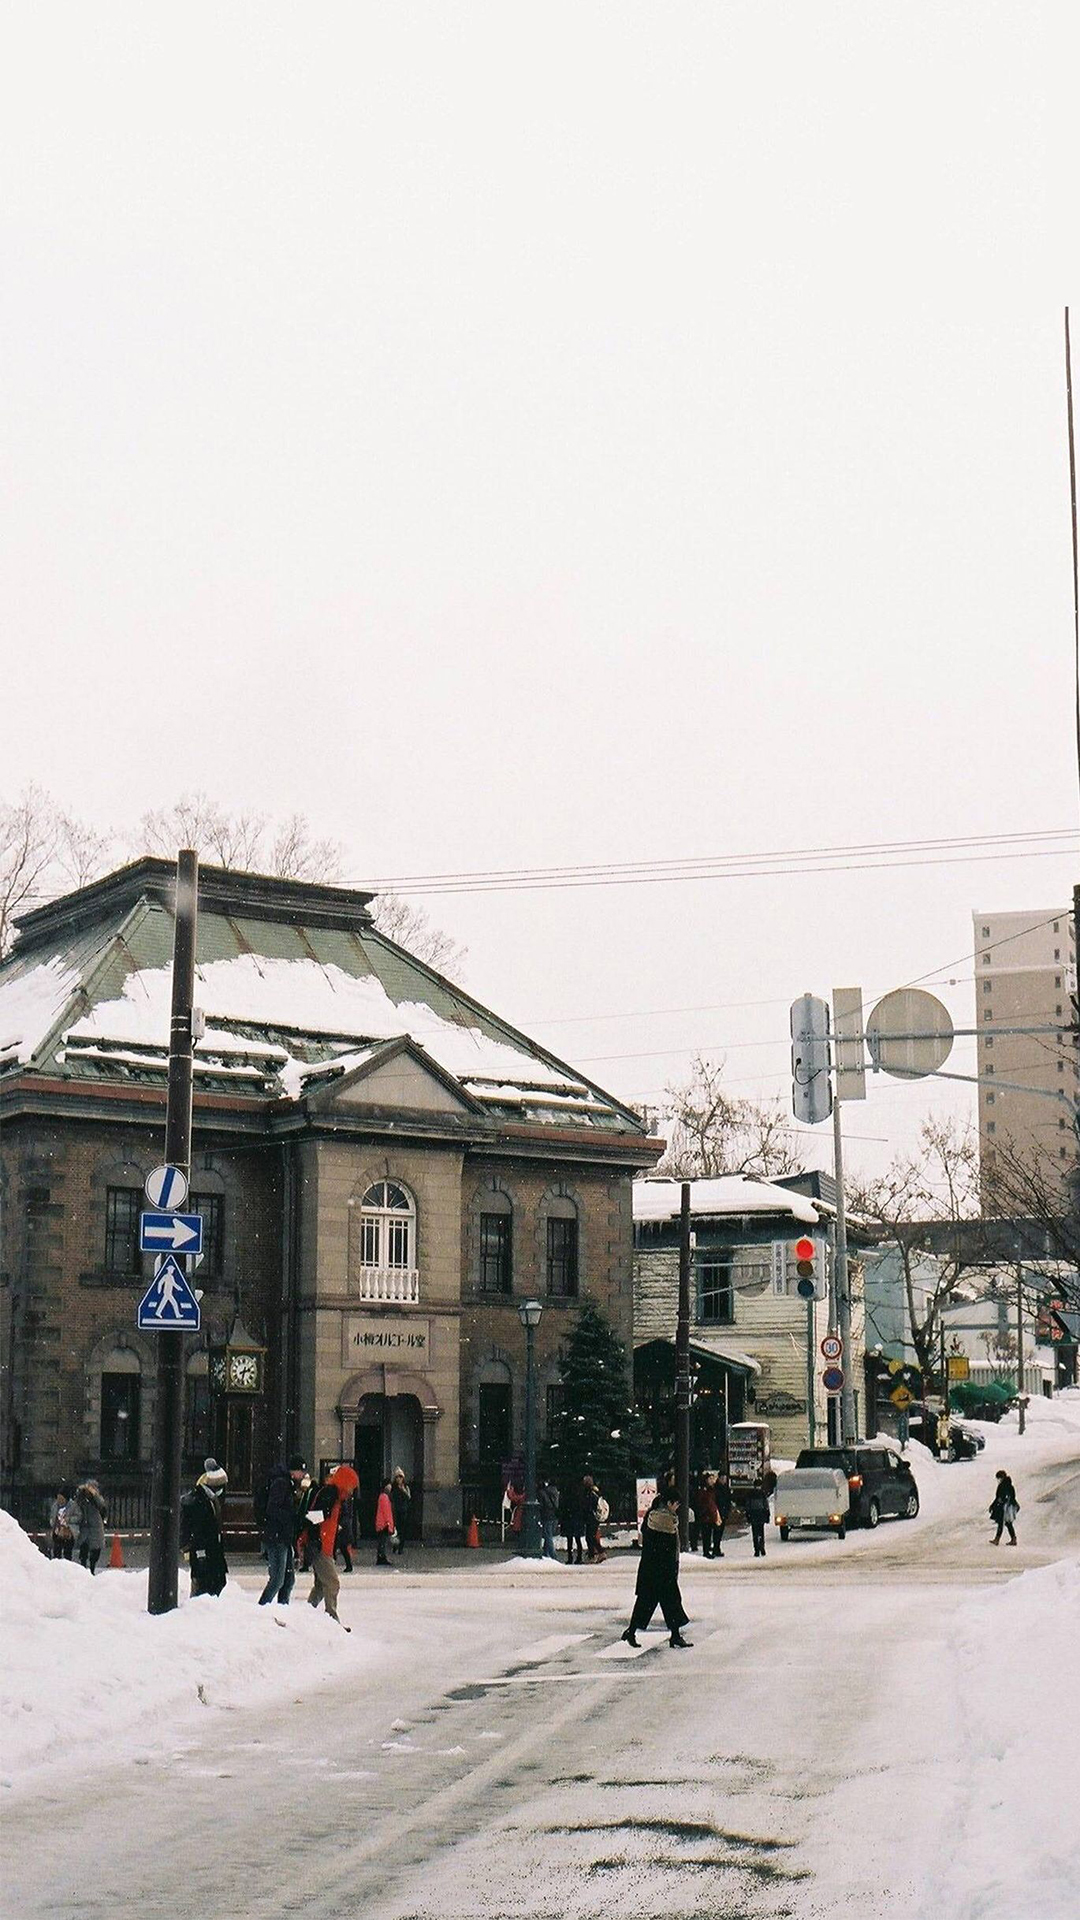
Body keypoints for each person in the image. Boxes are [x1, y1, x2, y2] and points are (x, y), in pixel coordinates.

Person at [621, 1492, 691, 1649]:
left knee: (649, 1602)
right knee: (670, 1602)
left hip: (650, 1568)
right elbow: (667, 1548)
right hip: (661, 1570)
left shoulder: (652, 1517)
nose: (677, 1507)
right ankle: (674, 1636)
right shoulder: (665, 1521)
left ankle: (633, 1632)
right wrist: (672, 1567)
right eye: (676, 1504)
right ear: (668, 1503)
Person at [303, 1464, 359, 1624]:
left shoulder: (333, 1496)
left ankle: (306, 1615)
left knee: (321, 1586)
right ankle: (331, 1620)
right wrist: (316, 1540)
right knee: (332, 1583)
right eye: (351, 1487)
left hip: (323, 1544)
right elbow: (313, 1517)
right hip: (321, 1545)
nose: (351, 1492)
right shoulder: (330, 1494)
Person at [258, 1456, 307, 1605]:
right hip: (277, 1537)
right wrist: (292, 1517)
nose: (303, 1475)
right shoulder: (281, 1483)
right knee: (278, 1580)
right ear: (294, 1471)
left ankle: (282, 1608)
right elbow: (272, 1509)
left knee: (288, 1580)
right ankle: (262, 1608)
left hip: (283, 1537)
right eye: (302, 1471)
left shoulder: (287, 1483)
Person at [181, 1459, 229, 1596]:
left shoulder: (208, 1499)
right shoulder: (200, 1502)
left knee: (213, 1583)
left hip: (210, 1552)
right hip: (205, 1553)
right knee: (205, 1587)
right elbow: (198, 1531)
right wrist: (201, 1554)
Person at [73, 1479, 108, 1575]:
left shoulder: (97, 1499)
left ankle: (92, 1568)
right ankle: (83, 1568)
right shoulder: (81, 1498)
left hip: (96, 1526)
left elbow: (102, 1506)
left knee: (96, 1549)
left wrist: (94, 1495)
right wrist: (81, 1491)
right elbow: (76, 1503)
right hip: (84, 1526)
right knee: (83, 1549)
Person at [742, 1471, 775, 1559]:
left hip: (755, 1516)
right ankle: (760, 1548)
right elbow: (765, 1506)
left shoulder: (751, 1494)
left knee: (756, 1533)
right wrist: (767, 1515)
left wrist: (748, 1515)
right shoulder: (762, 1494)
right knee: (760, 1533)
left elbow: (748, 1506)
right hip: (759, 1515)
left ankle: (758, 1549)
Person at [561, 1478, 588, 1565]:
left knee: (570, 1540)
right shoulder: (580, 1496)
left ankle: (570, 1557)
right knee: (578, 1539)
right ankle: (579, 1557)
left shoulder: (567, 1496)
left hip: (569, 1520)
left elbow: (563, 1508)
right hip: (577, 1520)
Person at [989, 1469, 1019, 1546]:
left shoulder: (1002, 1486)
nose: (998, 1480)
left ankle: (997, 1539)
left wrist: (994, 1505)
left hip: (1004, 1507)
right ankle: (1013, 1539)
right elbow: (1012, 1496)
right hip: (1009, 1506)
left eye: (998, 1478)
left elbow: (999, 1497)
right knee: (1008, 1523)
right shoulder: (1010, 1485)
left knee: (1001, 1523)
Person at [697, 1472, 722, 1559]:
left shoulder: (712, 1490)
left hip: (711, 1515)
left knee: (709, 1533)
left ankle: (708, 1549)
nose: (712, 1481)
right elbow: (703, 1502)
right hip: (706, 1515)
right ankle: (706, 1551)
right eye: (710, 1479)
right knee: (706, 1534)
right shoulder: (704, 1490)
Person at [48, 1481, 75, 1561]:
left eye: (61, 1498)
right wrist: (53, 1522)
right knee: (57, 1551)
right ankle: (57, 1567)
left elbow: (78, 1516)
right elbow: (52, 1516)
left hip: (68, 1532)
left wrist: (69, 1520)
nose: (59, 1500)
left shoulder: (73, 1506)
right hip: (57, 1532)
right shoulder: (55, 1506)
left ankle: (67, 1567)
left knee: (67, 1553)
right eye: (58, 1498)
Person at [583, 1474, 607, 1563]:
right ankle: (596, 1553)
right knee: (591, 1537)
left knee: (590, 1537)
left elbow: (589, 1505)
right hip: (594, 1517)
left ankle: (595, 1554)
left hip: (591, 1518)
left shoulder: (589, 1493)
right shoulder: (595, 1492)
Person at [374, 1477, 396, 1567]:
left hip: (381, 1523)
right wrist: (388, 1523)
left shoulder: (382, 1496)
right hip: (383, 1524)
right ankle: (381, 1557)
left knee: (382, 1541)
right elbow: (386, 1512)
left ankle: (381, 1556)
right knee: (382, 1542)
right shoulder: (384, 1497)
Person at [390, 1467, 412, 1556]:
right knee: (396, 1530)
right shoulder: (393, 1488)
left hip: (403, 1510)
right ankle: (395, 1545)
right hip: (395, 1510)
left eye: (400, 1477)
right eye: (397, 1477)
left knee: (403, 1530)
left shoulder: (406, 1487)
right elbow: (391, 1498)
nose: (399, 1479)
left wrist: (403, 1490)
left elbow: (408, 1497)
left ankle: (401, 1547)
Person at [334, 1486, 356, 1573]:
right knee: (341, 1547)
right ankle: (348, 1565)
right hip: (341, 1527)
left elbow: (345, 1515)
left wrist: (340, 1524)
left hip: (342, 1528)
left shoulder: (343, 1502)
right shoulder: (344, 1501)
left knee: (340, 1547)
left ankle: (347, 1565)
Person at [538, 1477, 560, 1559]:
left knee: (548, 1536)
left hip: (546, 1515)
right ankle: (545, 1553)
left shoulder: (542, 1492)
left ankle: (553, 1555)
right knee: (549, 1535)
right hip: (554, 1515)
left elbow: (543, 1504)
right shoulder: (555, 1491)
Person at [713, 1470, 733, 1557]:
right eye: (722, 1478)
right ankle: (716, 1548)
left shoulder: (725, 1488)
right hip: (718, 1512)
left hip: (723, 1511)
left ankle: (717, 1547)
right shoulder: (716, 1489)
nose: (724, 1480)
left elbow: (728, 1499)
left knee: (720, 1531)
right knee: (717, 1531)